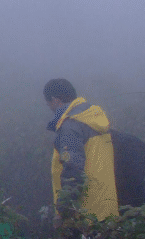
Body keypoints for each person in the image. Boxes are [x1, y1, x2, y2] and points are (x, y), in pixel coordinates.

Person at [43, 78, 118, 223]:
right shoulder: (92, 118)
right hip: (106, 208)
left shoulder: (71, 125)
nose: (50, 108)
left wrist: (64, 211)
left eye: (49, 103)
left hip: (84, 215)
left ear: (55, 100)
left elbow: (73, 170)